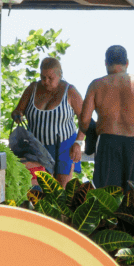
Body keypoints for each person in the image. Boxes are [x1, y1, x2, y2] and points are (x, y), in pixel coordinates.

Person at [80, 45, 134, 192]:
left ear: (106, 63)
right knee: (132, 194)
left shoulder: (96, 85)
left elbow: (84, 121)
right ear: (127, 63)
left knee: (106, 194)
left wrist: (89, 135)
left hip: (108, 142)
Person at [10, 55, 82, 184]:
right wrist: (17, 115)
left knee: (60, 191)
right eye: (43, 77)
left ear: (60, 75)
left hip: (65, 147)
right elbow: (17, 110)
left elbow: (85, 120)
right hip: (38, 147)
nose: (46, 81)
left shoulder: (70, 91)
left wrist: (78, 143)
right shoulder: (32, 89)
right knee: (40, 189)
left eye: (50, 78)